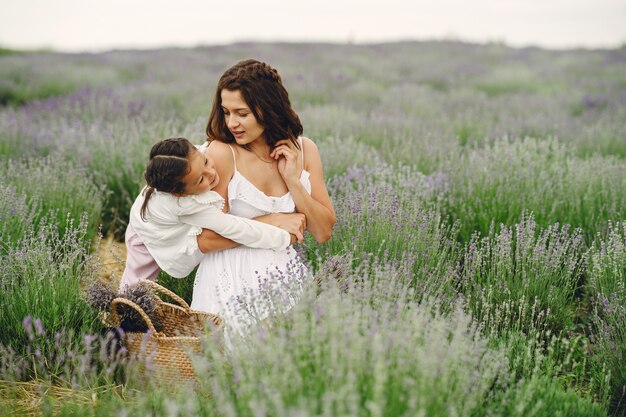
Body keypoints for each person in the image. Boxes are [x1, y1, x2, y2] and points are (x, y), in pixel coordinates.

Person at [191, 59, 336, 335]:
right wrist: (270, 221)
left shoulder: (305, 151)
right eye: (226, 112)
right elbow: (206, 239)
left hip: (285, 279)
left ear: (267, 109)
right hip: (229, 280)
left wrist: (293, 181)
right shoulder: (221, 154)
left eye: (242, 113)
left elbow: (323, 231)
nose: (231, 123)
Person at [118, 137, 305, 291]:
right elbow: (236, 228)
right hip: (144, 228)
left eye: (206, 161)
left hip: (166, 215)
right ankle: (125, 323)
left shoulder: (190, 159)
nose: (211, 173)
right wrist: (282, 237)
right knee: (136, 284)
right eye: (201, 179)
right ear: (181, 193)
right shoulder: (185, 205)